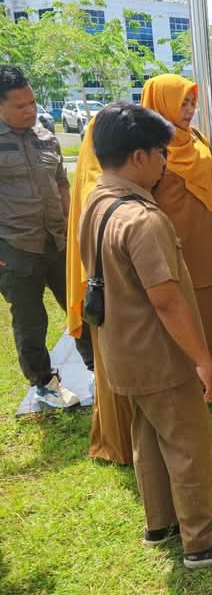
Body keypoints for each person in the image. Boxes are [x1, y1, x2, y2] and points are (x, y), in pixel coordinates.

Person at [78, 102, 212, 568]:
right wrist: (203, 359)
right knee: (189, 446)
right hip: (160, 355)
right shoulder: (143, 219)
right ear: (139, 157)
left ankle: (160, 523)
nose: (164, 162)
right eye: (160, 153)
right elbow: (167, 301)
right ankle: (202, 541)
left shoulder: (95, 202)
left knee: (149, 438)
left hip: (122, 352)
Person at [140, 74, 212, 387]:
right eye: (181, 103)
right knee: (189, 307)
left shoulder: (196, 136)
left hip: (211, 239)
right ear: (162, 103)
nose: (188, 110)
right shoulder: (148, 146)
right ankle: (198, 379)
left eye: (191, 103)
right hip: (179, 245)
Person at [0, 65, 94, 408]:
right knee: (30, 320)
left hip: (58, 241)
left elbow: (60, 183)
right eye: (20, 106)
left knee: (80, 305)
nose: (30, 110)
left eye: (32, 102)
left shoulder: (45, 136)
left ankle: (98, 368)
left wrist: (69, 222)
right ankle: (44, 383)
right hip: (15, 246)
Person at [67, 115, 134, 464]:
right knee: (116, 370)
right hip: (113, 291)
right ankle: (120, 443)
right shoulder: (99, 183)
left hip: (119, 289)